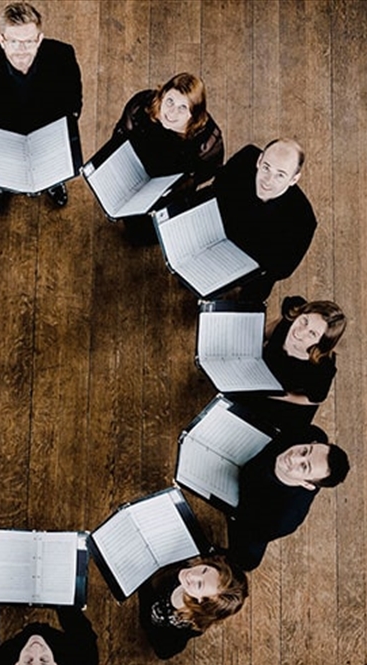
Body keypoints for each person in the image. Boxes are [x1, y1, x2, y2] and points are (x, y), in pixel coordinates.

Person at [0, 2, 82, 213]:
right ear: (2, 40)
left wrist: (54, 135)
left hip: (48, 127)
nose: (21, 50)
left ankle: (53, 181)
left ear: (39, 39)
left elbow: (73, 101)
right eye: (14, 41)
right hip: (4, 133)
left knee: (52, 167)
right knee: (2, 172)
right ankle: (0, 187)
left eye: (28, 41)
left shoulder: (62, 56)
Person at [226, 425, 350, 571]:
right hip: (245, 457)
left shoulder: (282, 520)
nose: (294, 457)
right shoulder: (309, 433)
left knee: (244, 560)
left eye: (304, 467)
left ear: (307, 485)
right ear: (313, 443)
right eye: (305, 451)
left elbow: (245, 519)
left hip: (247, 512)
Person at [213, 138, 317, 303]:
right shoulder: (245, 159)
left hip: (255, 265)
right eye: (266, 167)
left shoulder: (303, 221)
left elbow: (281, 269)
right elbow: (217, 188)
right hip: (219, 233)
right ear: (259, 160)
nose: (267, 180)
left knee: (253, 296)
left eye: (280, 175)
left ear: (294, 179)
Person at [232, 296, 346, 429]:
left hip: (282, 398)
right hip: (265, 371)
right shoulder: (289, 320)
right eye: (304, 321)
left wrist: (278, 395)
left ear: (320, 344)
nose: (299, 331)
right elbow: (268, 332)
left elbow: (315, 399)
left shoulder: (321, 371)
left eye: (312, 334)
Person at [112, 72, 225, 191]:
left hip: (172, 185)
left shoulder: (208, 139)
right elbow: (121, 136)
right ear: (163, 95)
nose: (172, 112)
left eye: (182, 108)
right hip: (135, 170)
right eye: (170, 101)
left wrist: (184, 185)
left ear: (193, 114)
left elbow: (208, 171)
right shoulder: (140, 107)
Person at [137, 553, 248, 660]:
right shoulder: (185, 572)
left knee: (161, 649)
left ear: (201, 601)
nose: (192, 574)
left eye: (200, 585)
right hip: (155, 601)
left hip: (164, 634)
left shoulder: (186, 621)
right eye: (205, 570)